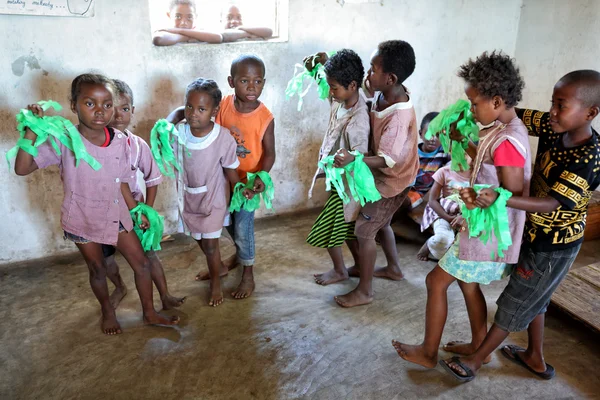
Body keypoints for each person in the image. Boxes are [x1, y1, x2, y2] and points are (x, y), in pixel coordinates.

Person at [440, 70, 600, 382]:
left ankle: (475, 359)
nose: (551, 112)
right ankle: (535, 358)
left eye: (561, 106)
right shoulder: (555, 126)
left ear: (590, 113)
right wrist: (473, 111)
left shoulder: (590, 156)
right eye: (552, 103)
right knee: (536, 300)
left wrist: (501, 199)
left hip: (554, 244)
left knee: (516, 301)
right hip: (534, 231)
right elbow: (514, 114)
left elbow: (553, 203)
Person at [392, 51, 531, 368]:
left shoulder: (508, 140)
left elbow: (511, 191)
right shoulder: (499, 129)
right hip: (482, 228)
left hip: (486, 232)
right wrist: (464, 142)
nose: (470, 109)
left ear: (496, 101)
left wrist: (478, 195)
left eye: (474, 103)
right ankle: (478, 342)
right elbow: (490, 162)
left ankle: (428, 353)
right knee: (469, 286)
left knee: (435, 282)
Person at [13, 73, 179, 335]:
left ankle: (149, 312)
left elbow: (122, 182)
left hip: (117, 214)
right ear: (73, 105)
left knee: (142, 263)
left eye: (107, 104)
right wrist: (31, 131)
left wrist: (139, 211)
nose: (100, 111)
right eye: (90, 103)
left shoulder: (123, 142)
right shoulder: (64, 140)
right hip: (82, 217)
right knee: (97, 268)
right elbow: (22, 168)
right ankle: (107, 311)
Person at [167, 55, 275, 300]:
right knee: (225, 225)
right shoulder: (222, 104)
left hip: (246, 183)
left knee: (243, 228)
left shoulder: (265, 117)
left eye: (257, 81)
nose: (251, 87)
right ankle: (225, 264)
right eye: (244, 80)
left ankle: (248, 273)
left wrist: (262, 176)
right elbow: (187, 110)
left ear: (264, 83)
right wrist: (170, 121)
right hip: (221, 181)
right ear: (231, 81)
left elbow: (270, 153)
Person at [333, 40, 419, 307]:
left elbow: (386, 160)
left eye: (372, 69)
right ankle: (393, 268)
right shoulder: (385, 94)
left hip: (392, 181)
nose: (368, 75)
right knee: (381, 224)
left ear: (390, 78)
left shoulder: (398, 117)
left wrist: (353, 158)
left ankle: (365, 291)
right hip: (386, 175)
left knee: (365, 229)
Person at [100, 79, 185, 310]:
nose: (119, 115)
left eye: (125, 109)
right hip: (102, 215)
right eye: (112, 108)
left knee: (149, 256)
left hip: (134, 213)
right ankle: (119, 286)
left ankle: (165, 296)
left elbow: (153, 178)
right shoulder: (94, 145)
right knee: (105, 260)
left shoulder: (137, 145)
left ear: (133, 111)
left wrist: (146, 209)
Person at [173, 78, 253, 306]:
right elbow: (167, 149)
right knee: (197, 237)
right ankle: (218, 267)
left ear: (214, 110)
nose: (193, 113)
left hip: (214, 199)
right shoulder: (179, 132)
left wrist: (239, 191)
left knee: (210, 244)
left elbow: (230, 170)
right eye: (189, 106)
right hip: (188, 197)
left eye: (201, 109)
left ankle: (216, 283)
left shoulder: (223, 137)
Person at [303, 49, 369, 286]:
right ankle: (360, 267)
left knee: (329, 228)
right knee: (347, 230)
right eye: (330, 86)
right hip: (338, 180)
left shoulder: (359, 120)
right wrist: (315, 68)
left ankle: (340, 270)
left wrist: (350, 158)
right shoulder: (341, 98)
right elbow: (324, 82)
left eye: (334, 87)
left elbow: (361, 156)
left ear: (352, 85)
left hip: (350, 186)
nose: (329, 92)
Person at [416, 163, 470, 261]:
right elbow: (432, 201)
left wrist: (465, 217)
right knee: (443, 239)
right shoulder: (444, 171)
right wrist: (449, 218)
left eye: (466, 153)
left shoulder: (482, 176)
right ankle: (431, 243)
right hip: (443, 212)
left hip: (467, 215)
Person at [405, 112, 450, 210]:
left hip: (422, 194)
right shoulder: (412, 153)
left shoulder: (444, 154)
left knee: (404, 202)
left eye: (438, 134)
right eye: (429, 133)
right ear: (420, 134)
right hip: (406, 189)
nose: (433, 139)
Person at [152, 0, 223, 46]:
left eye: (189, 17)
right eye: (178, 17)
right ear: (169, 15)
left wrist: (180, 31)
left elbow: (218, 38)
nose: (183, 23)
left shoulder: (198, 30)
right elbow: (158, 39)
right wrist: (188, 36)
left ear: (195, 17)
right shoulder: (166, 32)